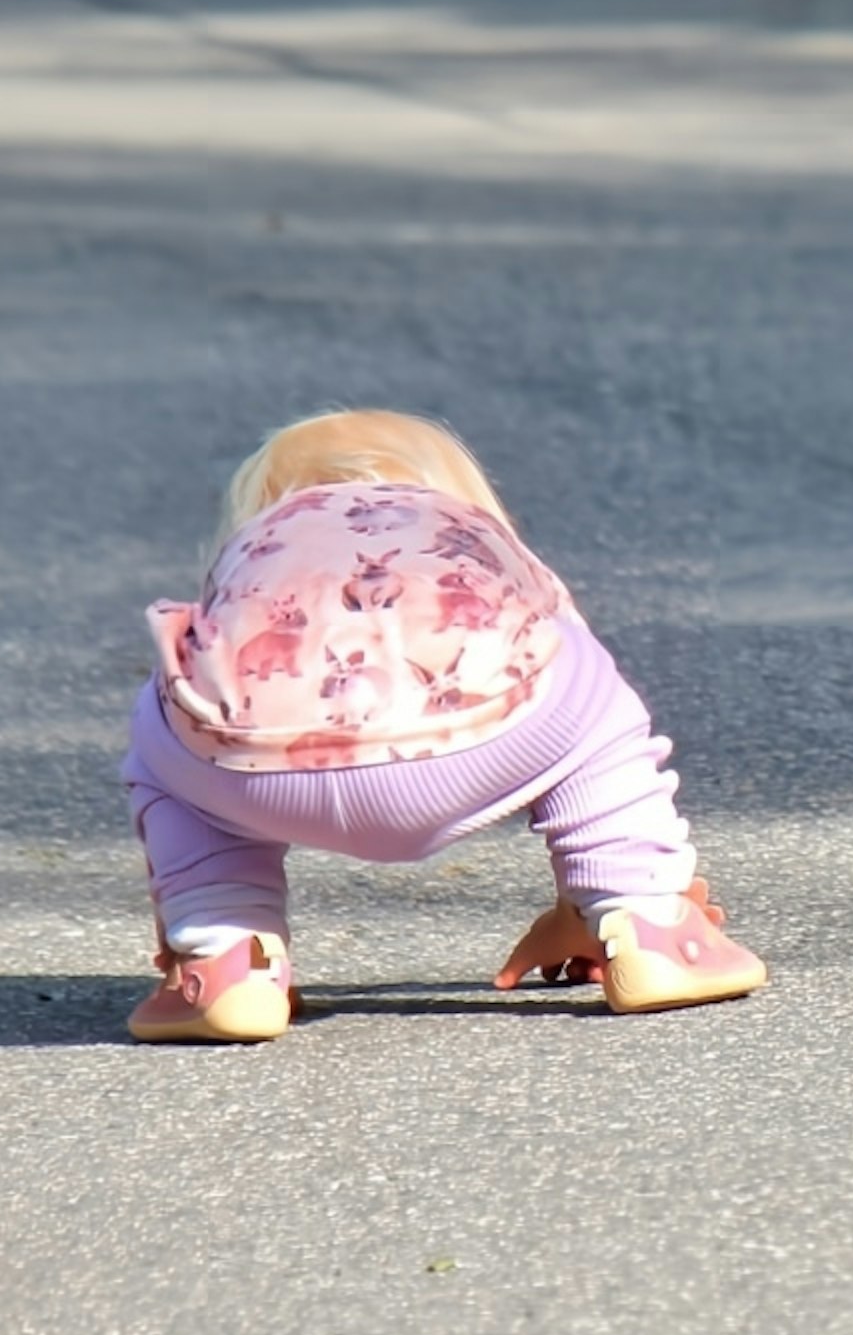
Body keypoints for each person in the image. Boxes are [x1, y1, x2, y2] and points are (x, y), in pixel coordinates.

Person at [117, 407, 764, 1042]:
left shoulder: (263, 544)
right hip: (477, 739)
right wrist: (587, 903)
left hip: (250, 765)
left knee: (170, 716)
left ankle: (222, 956)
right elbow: (566, 708)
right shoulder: (466, 532)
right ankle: (643, 918)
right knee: (588, 690)